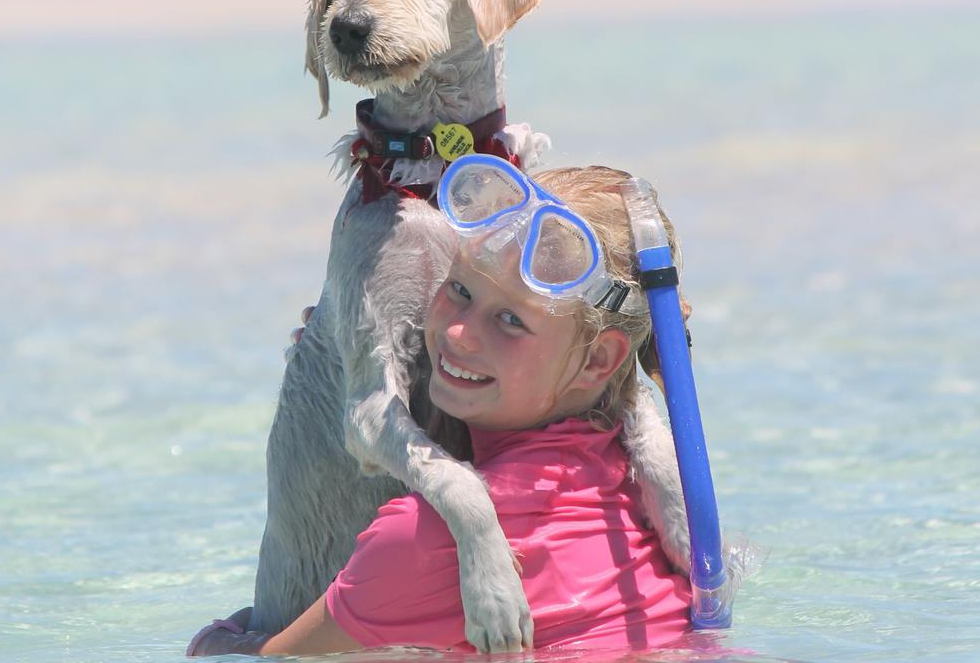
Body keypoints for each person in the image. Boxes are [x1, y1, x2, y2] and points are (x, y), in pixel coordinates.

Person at [188, 162, 693, 656]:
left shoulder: (423, 542)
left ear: (601, 360)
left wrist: (220, 639)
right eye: (459, 290)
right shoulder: (660, 501)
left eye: (511, 320)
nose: (456, 333)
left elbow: (275, 658)